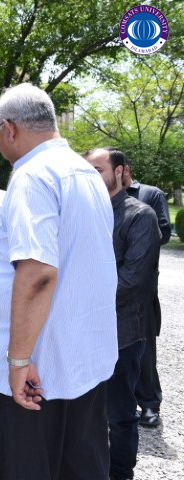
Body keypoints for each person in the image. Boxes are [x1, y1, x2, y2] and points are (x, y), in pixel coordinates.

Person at [0, 83, 118, 480]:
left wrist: (17, 361)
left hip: (33, 373)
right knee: (79, 467)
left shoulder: (33, 175)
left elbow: (38, 273)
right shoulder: (87, 173)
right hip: (77, 360)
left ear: (9, 129)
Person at [84, 147, 160, 480]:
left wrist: (82, 301)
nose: (91, 178)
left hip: (123, 332)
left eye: (97, 170)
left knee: (119, 414)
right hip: (83, 329)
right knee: (86, 411)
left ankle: (120, 473)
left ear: (119, 172)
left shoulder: (139, 215)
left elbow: (131, 280)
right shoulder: (83, 214)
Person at [122, 155, 171, 428]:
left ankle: (150, 403)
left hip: (140, 282)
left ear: (123, 169)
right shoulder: (100, 197)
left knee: (143, 345)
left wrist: (134, 231)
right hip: (109, 281)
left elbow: (163, 233)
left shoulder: (151, 194)